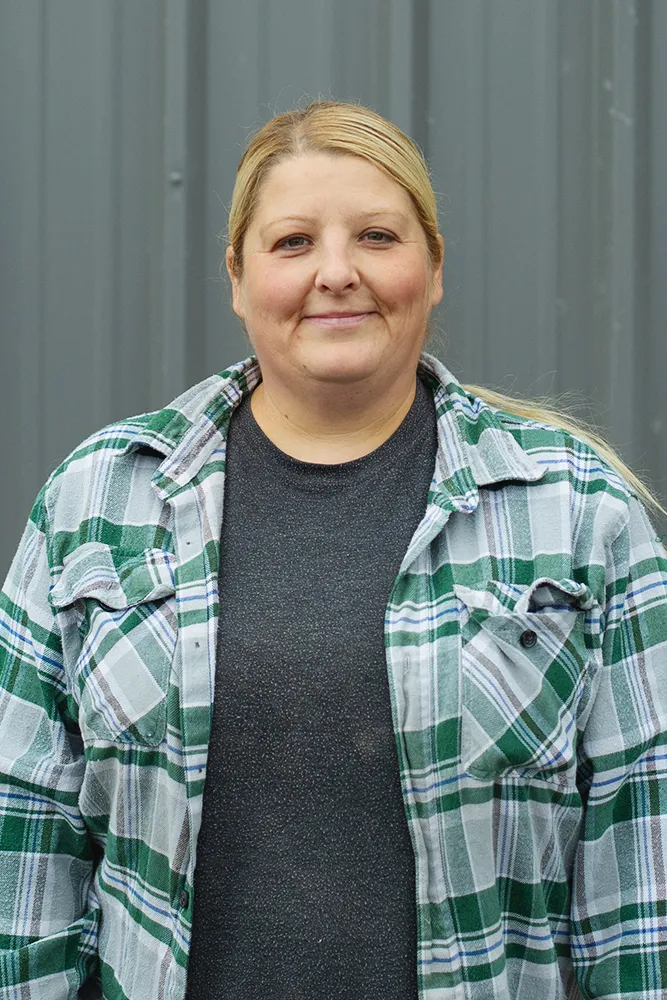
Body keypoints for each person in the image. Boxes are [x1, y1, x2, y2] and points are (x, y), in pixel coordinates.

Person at [1, 99, 666, 1000]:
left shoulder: (578, 513)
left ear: (434, 268)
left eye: (377, 237)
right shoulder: (97, 502)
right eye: (293, 243)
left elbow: (643, 874)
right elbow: (24, 838)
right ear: (237, 278)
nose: (338, 273)